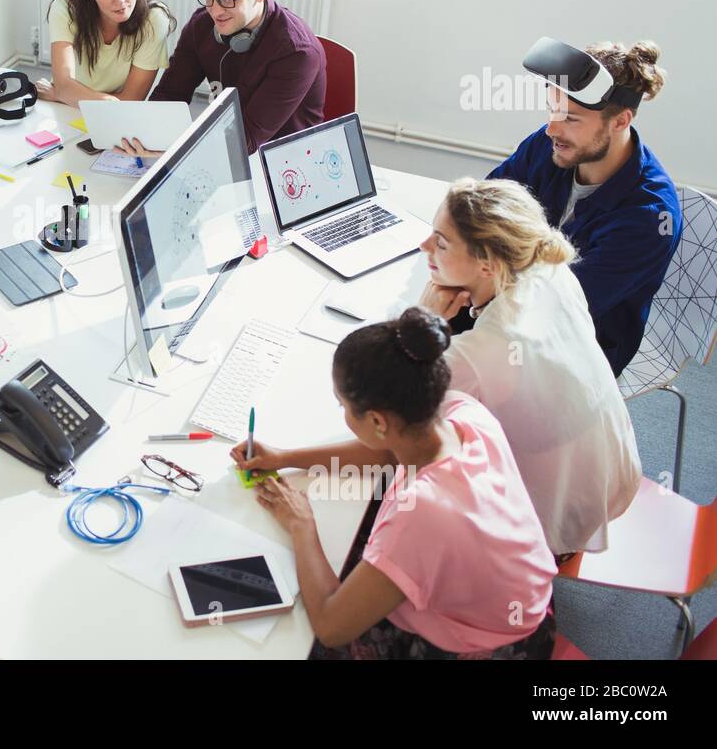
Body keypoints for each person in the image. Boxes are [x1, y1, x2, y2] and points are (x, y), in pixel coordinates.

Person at [232, 308, 557, 659]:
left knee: (300, 638)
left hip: (488, 647)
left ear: (376, 420)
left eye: (342, 405)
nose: (342, 412)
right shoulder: (465, 415)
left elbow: (331, 626)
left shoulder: (421, 514)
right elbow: (389, 453)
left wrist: (301, 524)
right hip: (524, 605)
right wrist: (286, 457)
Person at [418, 177, 641, 556]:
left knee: (404, 461)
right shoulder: (551, 271)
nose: (425, 247)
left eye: (441, 243)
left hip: (553, 522)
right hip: (609, 479)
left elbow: (389, 396)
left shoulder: (490, 347)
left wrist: (421, 317)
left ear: (487, 265)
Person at [489, 39, 679, 376]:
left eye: (572, 119)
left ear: (620, 121)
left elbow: (556, 308)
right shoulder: (551, 146)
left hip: (577, 352)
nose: (552, 128)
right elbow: (486, 208)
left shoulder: (648, 219)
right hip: (506, 299)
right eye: (552, 110)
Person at [147, 0, 325, 154]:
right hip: (224, 152)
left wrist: (172, 148)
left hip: (283, 168)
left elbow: (245, 141)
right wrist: (146, 133)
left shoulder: (296, 52)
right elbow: (169, 95)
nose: (215, 10)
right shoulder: (201, 25)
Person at [35, 0, 174, 112]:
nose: (120, 1)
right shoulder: (65, 8)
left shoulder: (154, 19)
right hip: (66, 107)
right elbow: (63, 84)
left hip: (100, 112)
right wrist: (64, 92)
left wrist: (62, 94)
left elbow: (130, 102)